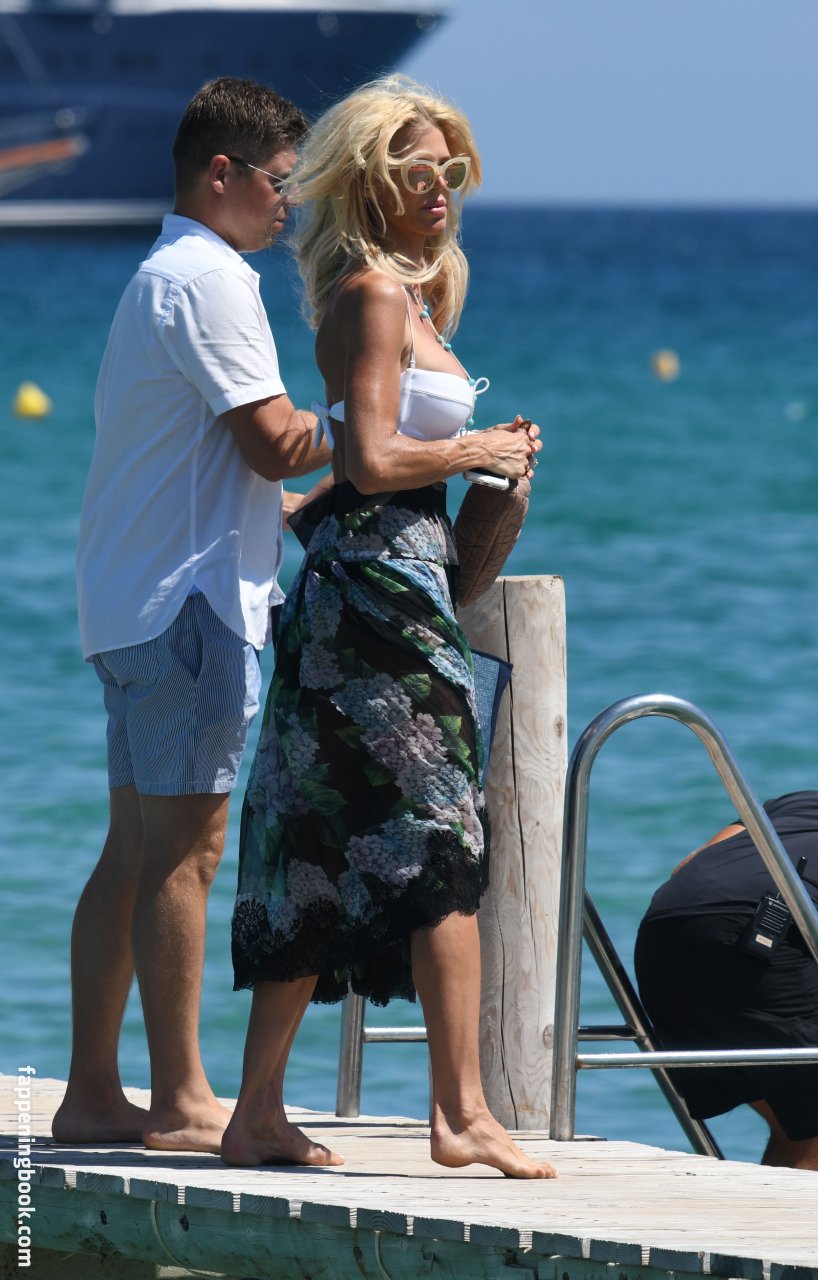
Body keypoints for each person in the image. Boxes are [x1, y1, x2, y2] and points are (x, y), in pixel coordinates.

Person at [220, 76, 555, 1178]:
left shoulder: (414, 303)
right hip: (375, 604)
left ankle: (255, 1113)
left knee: (319, 840)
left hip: (383, 589)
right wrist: (472, 449)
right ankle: (460, 1113)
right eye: (418, 169)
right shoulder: (370, 294)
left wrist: (496, 476)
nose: (439, 186)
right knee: (443, 840)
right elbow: (369, 458)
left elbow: (381, 489)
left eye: (451, 169)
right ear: (371, 180)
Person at [52, 77, 331, 1154]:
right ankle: (181, 1098)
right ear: (222, 173)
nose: (288, 205)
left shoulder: (156, 276)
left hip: (131, 599)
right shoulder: (212, 279)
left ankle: (91, 1094)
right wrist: (383, 413)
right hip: (190, 608)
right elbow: (274, 440)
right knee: (187, 852)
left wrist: (294, 499)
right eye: (278, 183)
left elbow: (213, 464)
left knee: (133, 848)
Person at [634, 789, 818, 1171]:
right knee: (815, 1102)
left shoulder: (803, 802)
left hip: (665, 933)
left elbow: (686, 866)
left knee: (799, 1121)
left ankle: (785, 1210)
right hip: (763, 937)